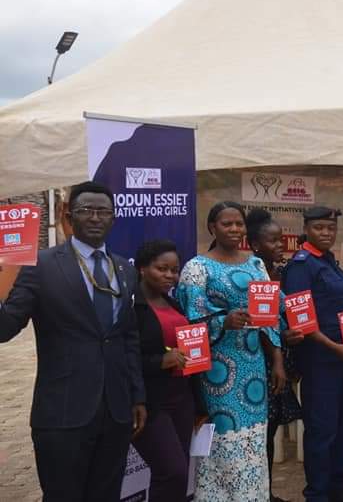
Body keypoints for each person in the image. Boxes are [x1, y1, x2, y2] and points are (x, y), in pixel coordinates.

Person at [0, 181, 146, 501]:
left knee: (106, 494)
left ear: (113, 218)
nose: (95, 218)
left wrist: (136, 395)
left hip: (116, 411)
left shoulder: (123, 269)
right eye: (86, 211)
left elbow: (128, 337)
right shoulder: (41, 265)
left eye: (103, 212)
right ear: (69, 216)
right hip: (63, 413)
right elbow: (6, 327)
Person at [176, 201, 286, 501]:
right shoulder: (197, 268)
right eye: (227, 224)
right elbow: (191, 324)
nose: (235, 229)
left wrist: (276, 359)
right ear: (213, 227)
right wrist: (224, 322)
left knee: (254, 441)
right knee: (223, 443)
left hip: (254, 369)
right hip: (218, 374)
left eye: (239, 224)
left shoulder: (255, 264)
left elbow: (270, 316)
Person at [282, 205, 343, 502]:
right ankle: (317, 494)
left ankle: (336, 487)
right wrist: (336, 348)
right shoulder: (302, 265)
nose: (326, 233)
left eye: (331, 228)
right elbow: (302, 322)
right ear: (307, 229)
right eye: (319, 228)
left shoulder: (329, 262)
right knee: (322, 430)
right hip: (320, 360)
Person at [132, 239, 208, 502]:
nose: (170, 276)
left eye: (174, 270)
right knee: (172, 472)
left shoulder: (173, 303)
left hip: (182, 398)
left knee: (178, 474)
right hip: (151, 402)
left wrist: (199, 404)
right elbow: (120, 357)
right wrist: (160, 361)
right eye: (161, 269)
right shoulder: (131, 307)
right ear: (142, 268)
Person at [247, 208, 303, 502]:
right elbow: (260, 323)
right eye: (273, 241)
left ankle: (266, 491)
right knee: (260, 433)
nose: (280, 245)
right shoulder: (253, 274)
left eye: (281, 240)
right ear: (256, 244)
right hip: (261, 363)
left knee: (269, 434)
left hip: (281, 357)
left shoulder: (281, 272)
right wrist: (282, 337)